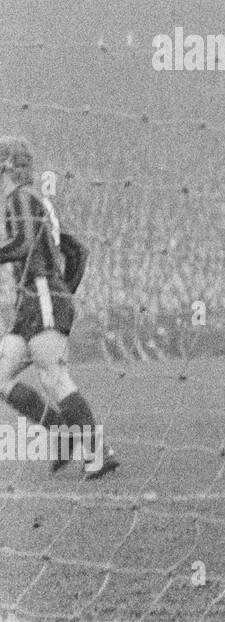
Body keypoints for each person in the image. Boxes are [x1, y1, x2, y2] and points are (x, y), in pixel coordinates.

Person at [0, 136, 118, 477]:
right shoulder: (37, 200)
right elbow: (77, 251)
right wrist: (65, 290)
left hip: (41, 299)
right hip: (34, 303)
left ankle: (98, 453)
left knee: (54, 378)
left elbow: (22, 244)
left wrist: (54, 292)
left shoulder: (19, 197)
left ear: (5, 165)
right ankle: (62, 433)